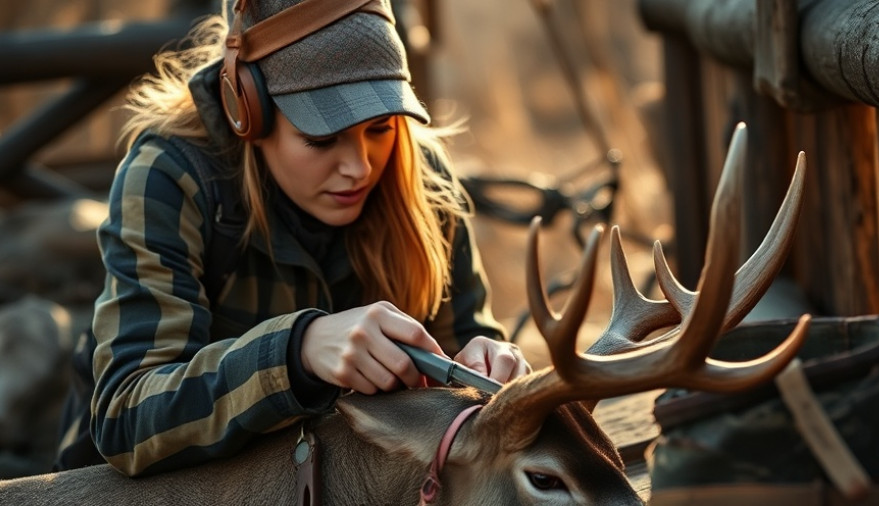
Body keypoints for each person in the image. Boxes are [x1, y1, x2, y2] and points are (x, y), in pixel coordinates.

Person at [54, 0, 530, 477]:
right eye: (323, 139)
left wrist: (490, 364)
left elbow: (467, 336)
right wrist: (297, 351)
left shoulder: (422, 176)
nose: (360, 167)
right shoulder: (170, 177)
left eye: (381, 126)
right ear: (248, 112)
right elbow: (125, 419)